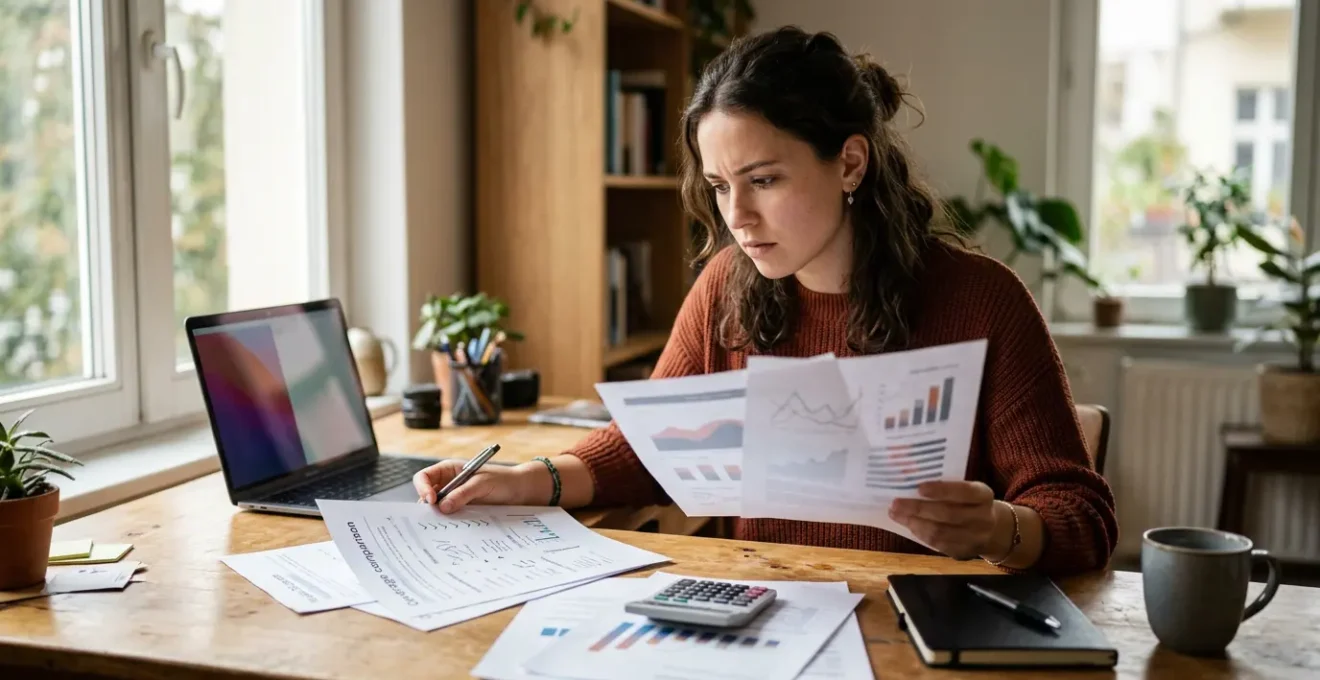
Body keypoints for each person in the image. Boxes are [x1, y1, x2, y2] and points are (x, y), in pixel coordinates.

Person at [413, 26, 1118, 576]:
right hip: (763, 618)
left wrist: (1000, 529)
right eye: (721, 186)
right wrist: (521, 482)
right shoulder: (726, 285)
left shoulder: (982, 300)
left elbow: (1080, 516)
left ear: (849, 161)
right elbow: (644, 453)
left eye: (764, 180)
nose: (737, 216)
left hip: (922, 632)